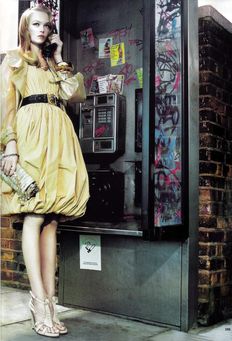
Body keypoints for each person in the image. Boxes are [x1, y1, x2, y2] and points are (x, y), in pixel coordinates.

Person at [0, 4, 89, 338]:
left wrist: (61, 56)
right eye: (34, 24)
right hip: (31, 134)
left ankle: (50, 303)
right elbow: (6, 105)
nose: (41, 29)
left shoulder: (55, 64)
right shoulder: (13, 59)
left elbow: (76, 94)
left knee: (52, 218)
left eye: (46, 25)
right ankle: (38, 303)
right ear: (25, 27)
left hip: (59, 135)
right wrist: (10, 145)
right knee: (34, 215)